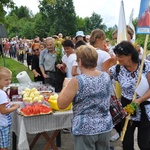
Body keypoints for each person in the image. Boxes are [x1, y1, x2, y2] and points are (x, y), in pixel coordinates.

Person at [57, 44, 113, 150]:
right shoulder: (106, 76)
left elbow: (61, 104)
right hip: (104, 126)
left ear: (80, 62)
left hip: (84, 129)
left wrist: (64, 86)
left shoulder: (77, 81)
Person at [108, 41, 150, 150]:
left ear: (129, 55)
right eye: (116, 55)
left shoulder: (145, 66)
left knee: (144, 144)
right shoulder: (117, 69)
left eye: (120, 56)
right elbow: (103, 79)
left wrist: (140, 100)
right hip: (127, 107)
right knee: (126, 143)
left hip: (145, 108)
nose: (117, 58)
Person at [0, 66, 20, 150]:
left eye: (10, 79)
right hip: (2, 124)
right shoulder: (2, 93)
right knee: (4, 146)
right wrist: (14, 107)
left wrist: (9, 106)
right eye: (6, 80)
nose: (9, 82)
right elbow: (3, 111)